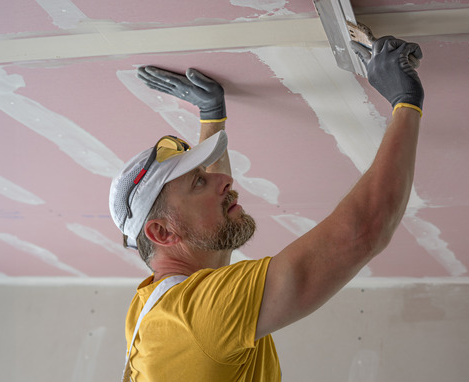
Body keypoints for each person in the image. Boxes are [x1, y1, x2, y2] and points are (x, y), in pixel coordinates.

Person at [109, 36, 424, 381]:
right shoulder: (196, 317)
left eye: (204, 174)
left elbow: (207, 238)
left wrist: (212, 117)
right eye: (199, 183)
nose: (225, 182)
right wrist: (405, 102)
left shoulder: (160, 307)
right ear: (162, 232)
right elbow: (362, 230)